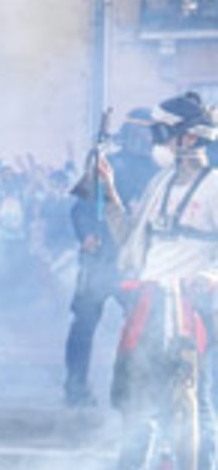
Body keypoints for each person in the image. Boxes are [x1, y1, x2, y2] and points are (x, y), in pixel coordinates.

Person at [85, 92, 218, 470]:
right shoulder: (159, 184)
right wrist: (108, 191)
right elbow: (130, 243)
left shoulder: (215, 185)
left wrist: (211, 278)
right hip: (148, 301)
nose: (159, 141)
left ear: (189, 137)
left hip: (194, 308)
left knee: (195, 401)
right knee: (136, 398)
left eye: (164, 133)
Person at [62, 108, 159, 407]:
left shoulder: (158, 173)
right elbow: (80, 208)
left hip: (134, 261)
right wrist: (87, 234)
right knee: (83, 325)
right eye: (135, 133)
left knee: (143, 326)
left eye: (144, 134)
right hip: (99, 256)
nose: (139, 140)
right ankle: (76, 388)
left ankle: (137, 391)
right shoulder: (107, 164)